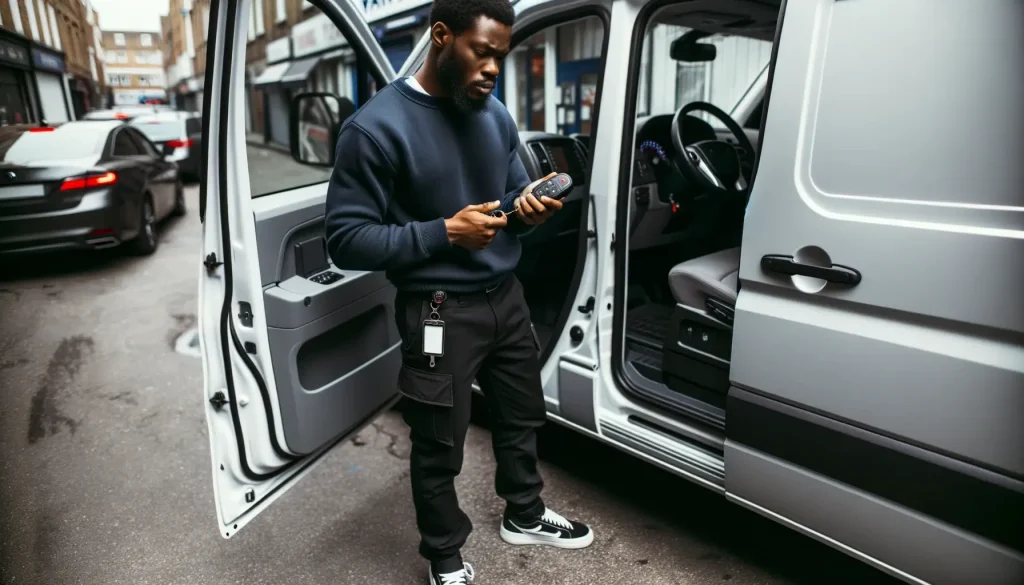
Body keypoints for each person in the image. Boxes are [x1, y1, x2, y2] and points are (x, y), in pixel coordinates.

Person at [323, 0, 594, 582]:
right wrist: (444, 232)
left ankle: (524, 513)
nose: (494, 68)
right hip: (438, 308)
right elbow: (345, 240)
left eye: (502, 55)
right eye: (484, 52)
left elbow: (512, 195)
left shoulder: (493, 115)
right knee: (438, 441)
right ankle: (444, 557)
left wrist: (528, 213)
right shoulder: (373, 129)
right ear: (441, 36)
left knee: (522, 415)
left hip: (505, 295)